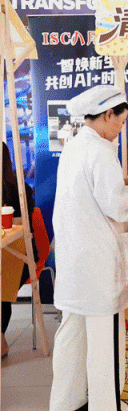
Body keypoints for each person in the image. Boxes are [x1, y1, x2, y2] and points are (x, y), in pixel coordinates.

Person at [49, 85, 128, 411]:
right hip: (97, 268)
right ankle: (106, 406)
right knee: (105, 343)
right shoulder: (100, 151)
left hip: (75, 264)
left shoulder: (76, 145)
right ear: (108, 114)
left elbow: (89, 191)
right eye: (121, 122)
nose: (121, 129)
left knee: (72, 338)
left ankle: (66, 404)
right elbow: (119, 208)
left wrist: (121, 183)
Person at [1, 141, 38, 358]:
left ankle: (1, 339)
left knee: (2, 281)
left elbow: (20, 226)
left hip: (18, 254)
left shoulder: (17, 188)